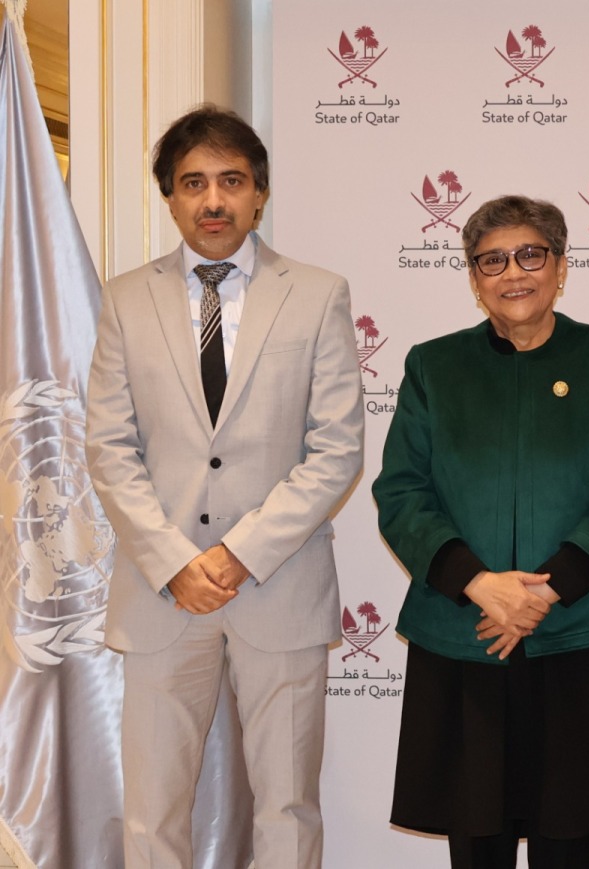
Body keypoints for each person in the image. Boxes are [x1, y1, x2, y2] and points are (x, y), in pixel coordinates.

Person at [85, 104, 365, 868]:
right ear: (170, 197)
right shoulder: (125, 299)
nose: (214, 200)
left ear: (259, 193)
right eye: (194, 183)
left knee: (287, 807)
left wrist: (240, 553)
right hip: (161, 592)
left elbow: (335, 448)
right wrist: (176, 560)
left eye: (232, 181)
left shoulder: (317, 293)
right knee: (152, 811)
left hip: (280, 584)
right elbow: (109, 446)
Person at [373, 195, 589, 869]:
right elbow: (401, 493)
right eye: (492, 260)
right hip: (466, 637)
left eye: (531, 255)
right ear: (474, 278)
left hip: (581, 636)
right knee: (476, 841)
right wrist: (479, 584)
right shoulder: (433, 366)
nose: (513, 272)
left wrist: (543, 592)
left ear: (560, 267)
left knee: (569, 841)